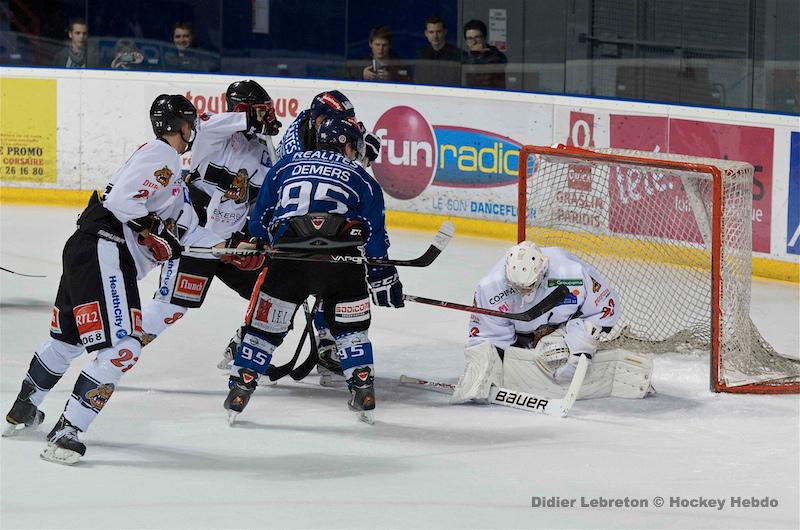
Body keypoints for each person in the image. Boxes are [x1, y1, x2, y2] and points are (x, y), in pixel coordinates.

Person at [2, 95, 199, 465]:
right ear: (180, 126)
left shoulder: (173, 178)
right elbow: (123, 202)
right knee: (124, 347)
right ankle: (66, 432)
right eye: (190, 124)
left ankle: (24, 408)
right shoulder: (165, 155)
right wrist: (154, 232)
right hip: (106, 250)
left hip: (86, 247)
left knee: (67, 340)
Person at [223, 116, 403, 425]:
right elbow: (374, 237)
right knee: (351, 331)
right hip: (341, 263)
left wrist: (261, 243)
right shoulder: (362, 178)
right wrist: (382, 277)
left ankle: (241, 387)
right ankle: (362, 388)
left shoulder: (285, 166)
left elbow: (259, 221)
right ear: (346, 144)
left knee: (264, 331)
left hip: (289, 260)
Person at [139, 80, 283, 352]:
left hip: (232, 246)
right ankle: (120, 350)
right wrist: (247, 120)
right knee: (171, 308)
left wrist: (259, 238)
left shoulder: (266, 152)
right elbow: (205, 124)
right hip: (197, 237)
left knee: (275, 295)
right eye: (260, 111)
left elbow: (259, 206)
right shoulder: (213, 134)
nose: (267, 117)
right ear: (241, 110)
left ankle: (245, 344)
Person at [451, 241, 653, 404]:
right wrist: (487, 364)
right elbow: (488, 336)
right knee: (490, 355)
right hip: (521, 335)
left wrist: (581, 345)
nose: (525, 292)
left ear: (543, 270)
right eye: (518, 287)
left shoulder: (571, 272)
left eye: (530, 286)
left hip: (565, 327)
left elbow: (604, 308)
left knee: (556, 352)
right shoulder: (490, 287)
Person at [414, 15, 462, 86]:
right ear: (426, 34)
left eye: (438, 32)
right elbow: (418, 81)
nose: (435, 36)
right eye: (431, 32)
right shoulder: (421, 55)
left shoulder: (458, 54)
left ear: (445, 32)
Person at [461, 19, 507, 89]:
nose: (474, 42)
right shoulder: (465, 57)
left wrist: (475, 54)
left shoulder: (496, 55)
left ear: (484, 38)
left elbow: (484, 78)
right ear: (466, 42)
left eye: (477, 37)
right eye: (470, 38)